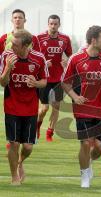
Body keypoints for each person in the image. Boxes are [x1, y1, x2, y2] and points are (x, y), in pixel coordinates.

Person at [62, 25, 101, 188]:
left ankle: (88, 162)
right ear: (93, 40)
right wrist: (75, 97)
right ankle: (84, 175)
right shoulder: (76, 59)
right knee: (85, 143)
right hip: (82, 109)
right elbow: (65, 83)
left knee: (99, 147)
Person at [0, 30, 47, 185]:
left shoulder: (39, 58)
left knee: (27, 146)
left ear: (26, 45)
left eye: (15, 44)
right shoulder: (6, 55)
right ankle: (14, 177)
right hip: (12, 106)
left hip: (30, 108)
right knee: (13, 143)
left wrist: (35, 83)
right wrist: (7, 68)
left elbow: (44, 81)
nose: (11, 46)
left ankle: (20, 162)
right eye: (11, 42)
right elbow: (3, 82)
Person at [0, 9, 41, 151]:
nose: (17, 20)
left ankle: (19, 141)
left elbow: (38, 58)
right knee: (14, 141)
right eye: (15, 17)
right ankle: (13, 141)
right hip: (11, 82)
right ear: (12, 20)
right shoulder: (4, 38)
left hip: (29, 84)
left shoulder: (33, 39)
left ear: (25, 20)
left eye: (20, 17)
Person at [36, 14, 72, 141]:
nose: (53, 26)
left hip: (58, 79)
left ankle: (50, 132)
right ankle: (38, 125)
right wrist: (44, 64)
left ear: (59, 25)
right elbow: (33, 56)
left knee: (56, 106)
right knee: (44, 108)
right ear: (48, 24)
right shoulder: (39, 38)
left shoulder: (65, 39)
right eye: (51, 24)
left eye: (55, 24)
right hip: (44, 78)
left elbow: (71, 57)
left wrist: (66, 62)